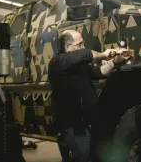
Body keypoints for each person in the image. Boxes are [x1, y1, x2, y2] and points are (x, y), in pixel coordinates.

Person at [48, 30, 131, 162]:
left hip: (85, 124)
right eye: (79, 44)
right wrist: (103, 54)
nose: (83, 47)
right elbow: (86, 54)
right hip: (72, 128)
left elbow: (100, 72)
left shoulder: (79, 66)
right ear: (67, 47)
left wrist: (116, 61)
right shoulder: (58, 62)